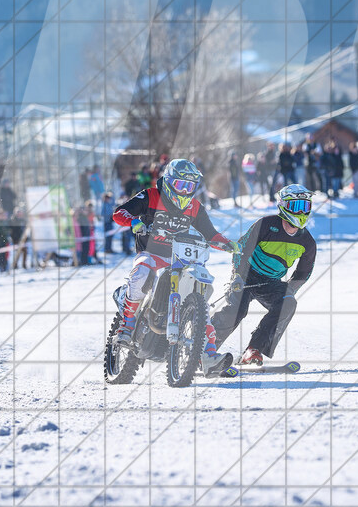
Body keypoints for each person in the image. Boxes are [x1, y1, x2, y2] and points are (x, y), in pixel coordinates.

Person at [111, 158, 237, 377]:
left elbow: (211, 234)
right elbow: (119, 213)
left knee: (201, 303)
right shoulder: (151, 196)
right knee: (142, 272)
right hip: (151, 254)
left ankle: (208, 355)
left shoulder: (195, 207)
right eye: (181, 185)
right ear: (169, 182)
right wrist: (134, 222)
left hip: (181, 260)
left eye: (190, 187)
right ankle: (127, 324)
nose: (185, 191)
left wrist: (229, 245)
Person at [212, 185, 317, 367]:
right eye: (295, 206)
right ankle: (205, 349)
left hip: (271, 282)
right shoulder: (267, 225)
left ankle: (254, 349)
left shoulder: (307, 241)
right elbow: (241, 250)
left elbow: (304, 272)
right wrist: (237, 275)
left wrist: (289, 290)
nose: (300, 211)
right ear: (284, 206)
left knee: (288, 303)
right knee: (238, 310)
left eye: (305, 206)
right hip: (246, 276)